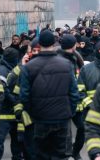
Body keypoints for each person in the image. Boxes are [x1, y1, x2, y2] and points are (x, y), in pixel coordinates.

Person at [20, 30, 80, 160]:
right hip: (62, 117)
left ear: (39, 44)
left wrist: (33, 113)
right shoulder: (66, 64)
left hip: (40, 118)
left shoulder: (28, 67)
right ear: (54, 43)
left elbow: (24, 96)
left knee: (41, 154)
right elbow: (74, 93)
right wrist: (70, 111)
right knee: (61, 154)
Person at [0, 48, 22, 160]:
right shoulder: (3, 71)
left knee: (17, 142)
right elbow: (2, 90)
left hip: (13, 112)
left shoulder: (11, 69)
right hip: (4, 113)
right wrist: (14, 100)